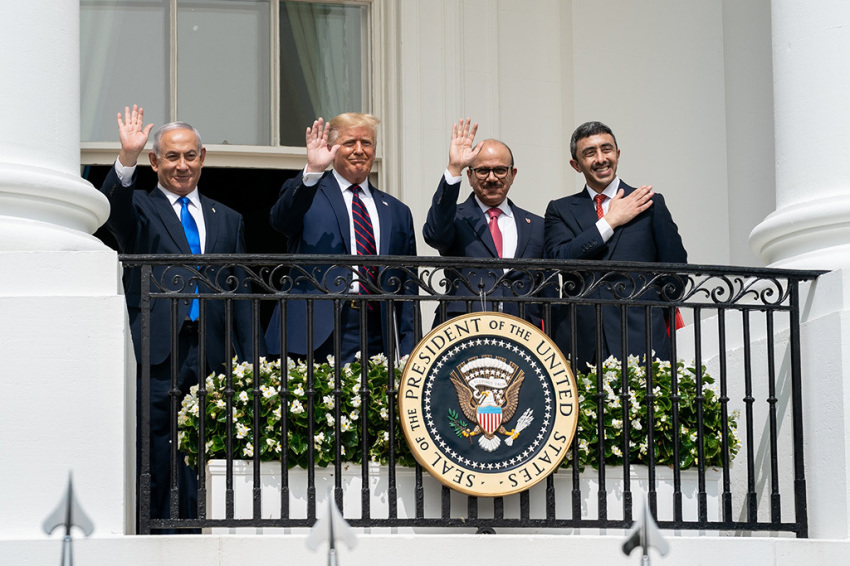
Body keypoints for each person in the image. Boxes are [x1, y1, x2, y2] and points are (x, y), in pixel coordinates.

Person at [98, 105, 254, 530]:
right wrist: (126, 157)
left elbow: (241, 291)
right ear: (155, 161)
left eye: (189, 156)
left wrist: (250, 358)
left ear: (202, 157)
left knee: (210, 438)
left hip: (213, 348)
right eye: (171, 156)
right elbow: (112, 210)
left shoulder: (229, 218)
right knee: (157, 441)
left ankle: (202, 528)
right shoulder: (140, 208)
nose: (181, 165)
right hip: (159, 346)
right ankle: (154, 532)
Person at [265, 113, 417, 364]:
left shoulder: (397, 211)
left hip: (377, 332)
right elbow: (281, 221)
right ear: (332, 148)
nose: (359, 150)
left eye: (366, 143)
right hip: (316, 330)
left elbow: (408, 285)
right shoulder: (308, 192)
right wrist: (313, 170)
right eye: (349, 143)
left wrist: (409, 346)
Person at [544, 121, 687, 371]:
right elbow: (559, 259)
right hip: (581, 342)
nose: (601, 159)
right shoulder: (560, 209)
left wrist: (650, 310)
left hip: (642, 337)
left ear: (617, 154)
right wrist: (609, 222)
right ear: (576, 165)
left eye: (606, 149)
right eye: (590, 153)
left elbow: (676, 273)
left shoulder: (649, 203)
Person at [423, 118, 551, 328]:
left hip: (522, 333)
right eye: (483, 171)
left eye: (500, 170)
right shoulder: (455, 217)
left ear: (512, 174)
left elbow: (548, 291)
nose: (492, 178)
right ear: (470, 176)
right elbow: (434, 235)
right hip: (464, 330)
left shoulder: (537, 226)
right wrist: (454, 168)